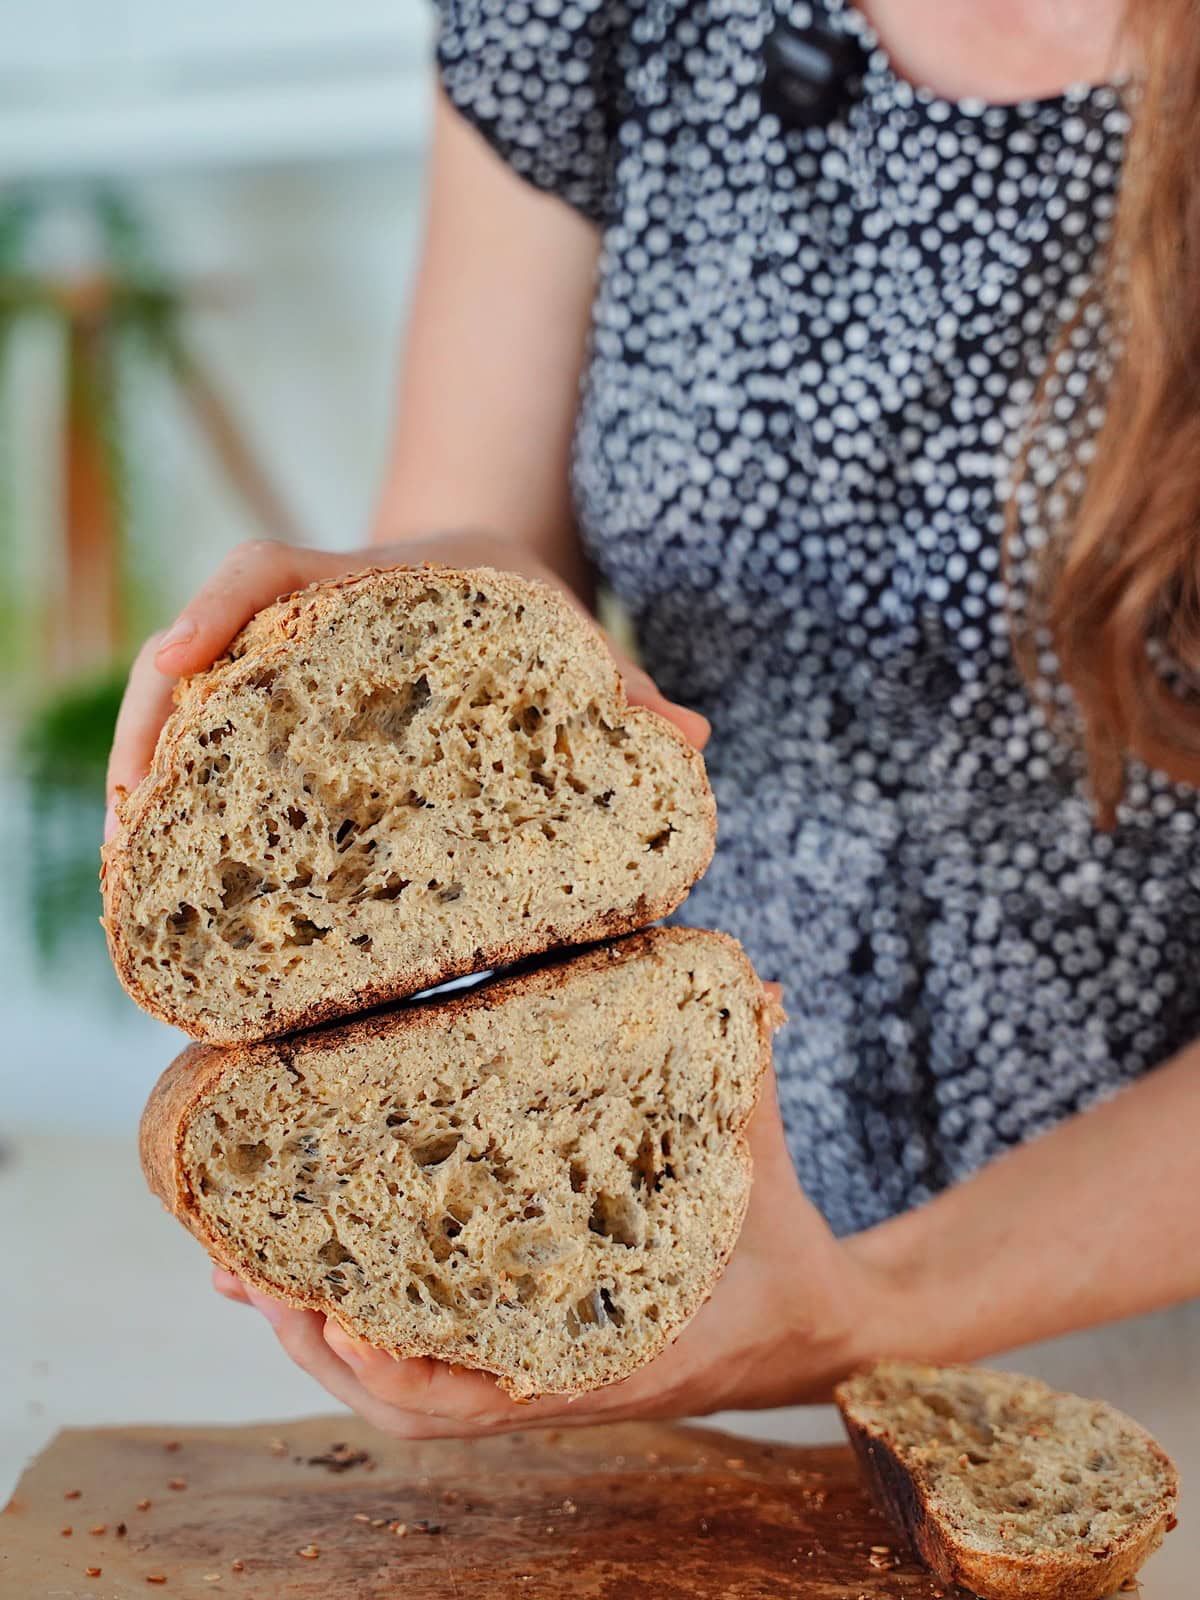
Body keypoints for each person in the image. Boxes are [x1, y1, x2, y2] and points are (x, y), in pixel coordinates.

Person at [107, 0, 1200, 1439]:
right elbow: (488, 522)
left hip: (1140, 1318)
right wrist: (435, 602)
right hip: (653, 1260)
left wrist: (861, 1309)